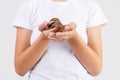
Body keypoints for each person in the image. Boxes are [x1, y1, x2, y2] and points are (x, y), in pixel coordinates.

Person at [12, 0, 108, 80]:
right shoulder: (30, 5)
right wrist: (44, 38)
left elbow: (96, 68)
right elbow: (20, 69)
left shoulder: (89, 6)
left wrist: (73, 37)